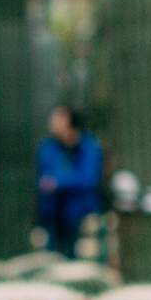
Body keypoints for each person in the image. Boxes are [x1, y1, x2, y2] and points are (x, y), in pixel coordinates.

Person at [36, 105, 103, 259]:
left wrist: (59, 183)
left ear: (69, 123)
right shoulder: (49, 147)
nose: (52, 123)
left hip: (80, 215)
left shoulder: (89, 147)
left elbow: (89, 178)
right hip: (53, 215)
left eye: (58, 119)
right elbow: (44, 177)